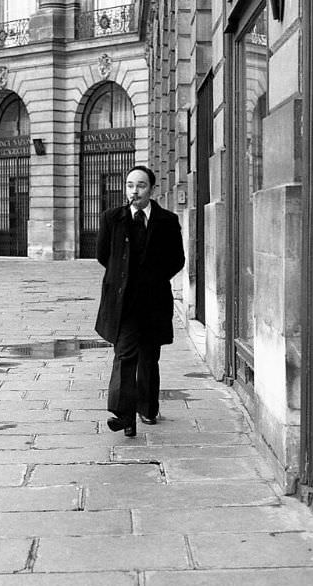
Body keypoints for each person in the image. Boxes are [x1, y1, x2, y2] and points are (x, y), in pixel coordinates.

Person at [94, 165, 185, 436]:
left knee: (149, 356)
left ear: (151, 189)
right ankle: (124, 416)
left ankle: (147, 408)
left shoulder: (167, 220)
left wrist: (154, 278)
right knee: (124, 356)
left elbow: (177, 259)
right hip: (122, 303)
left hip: (154, 300)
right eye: (131, 185)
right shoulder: (112, 218)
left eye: (141, 185)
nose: (135, 191)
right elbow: (103, 255)